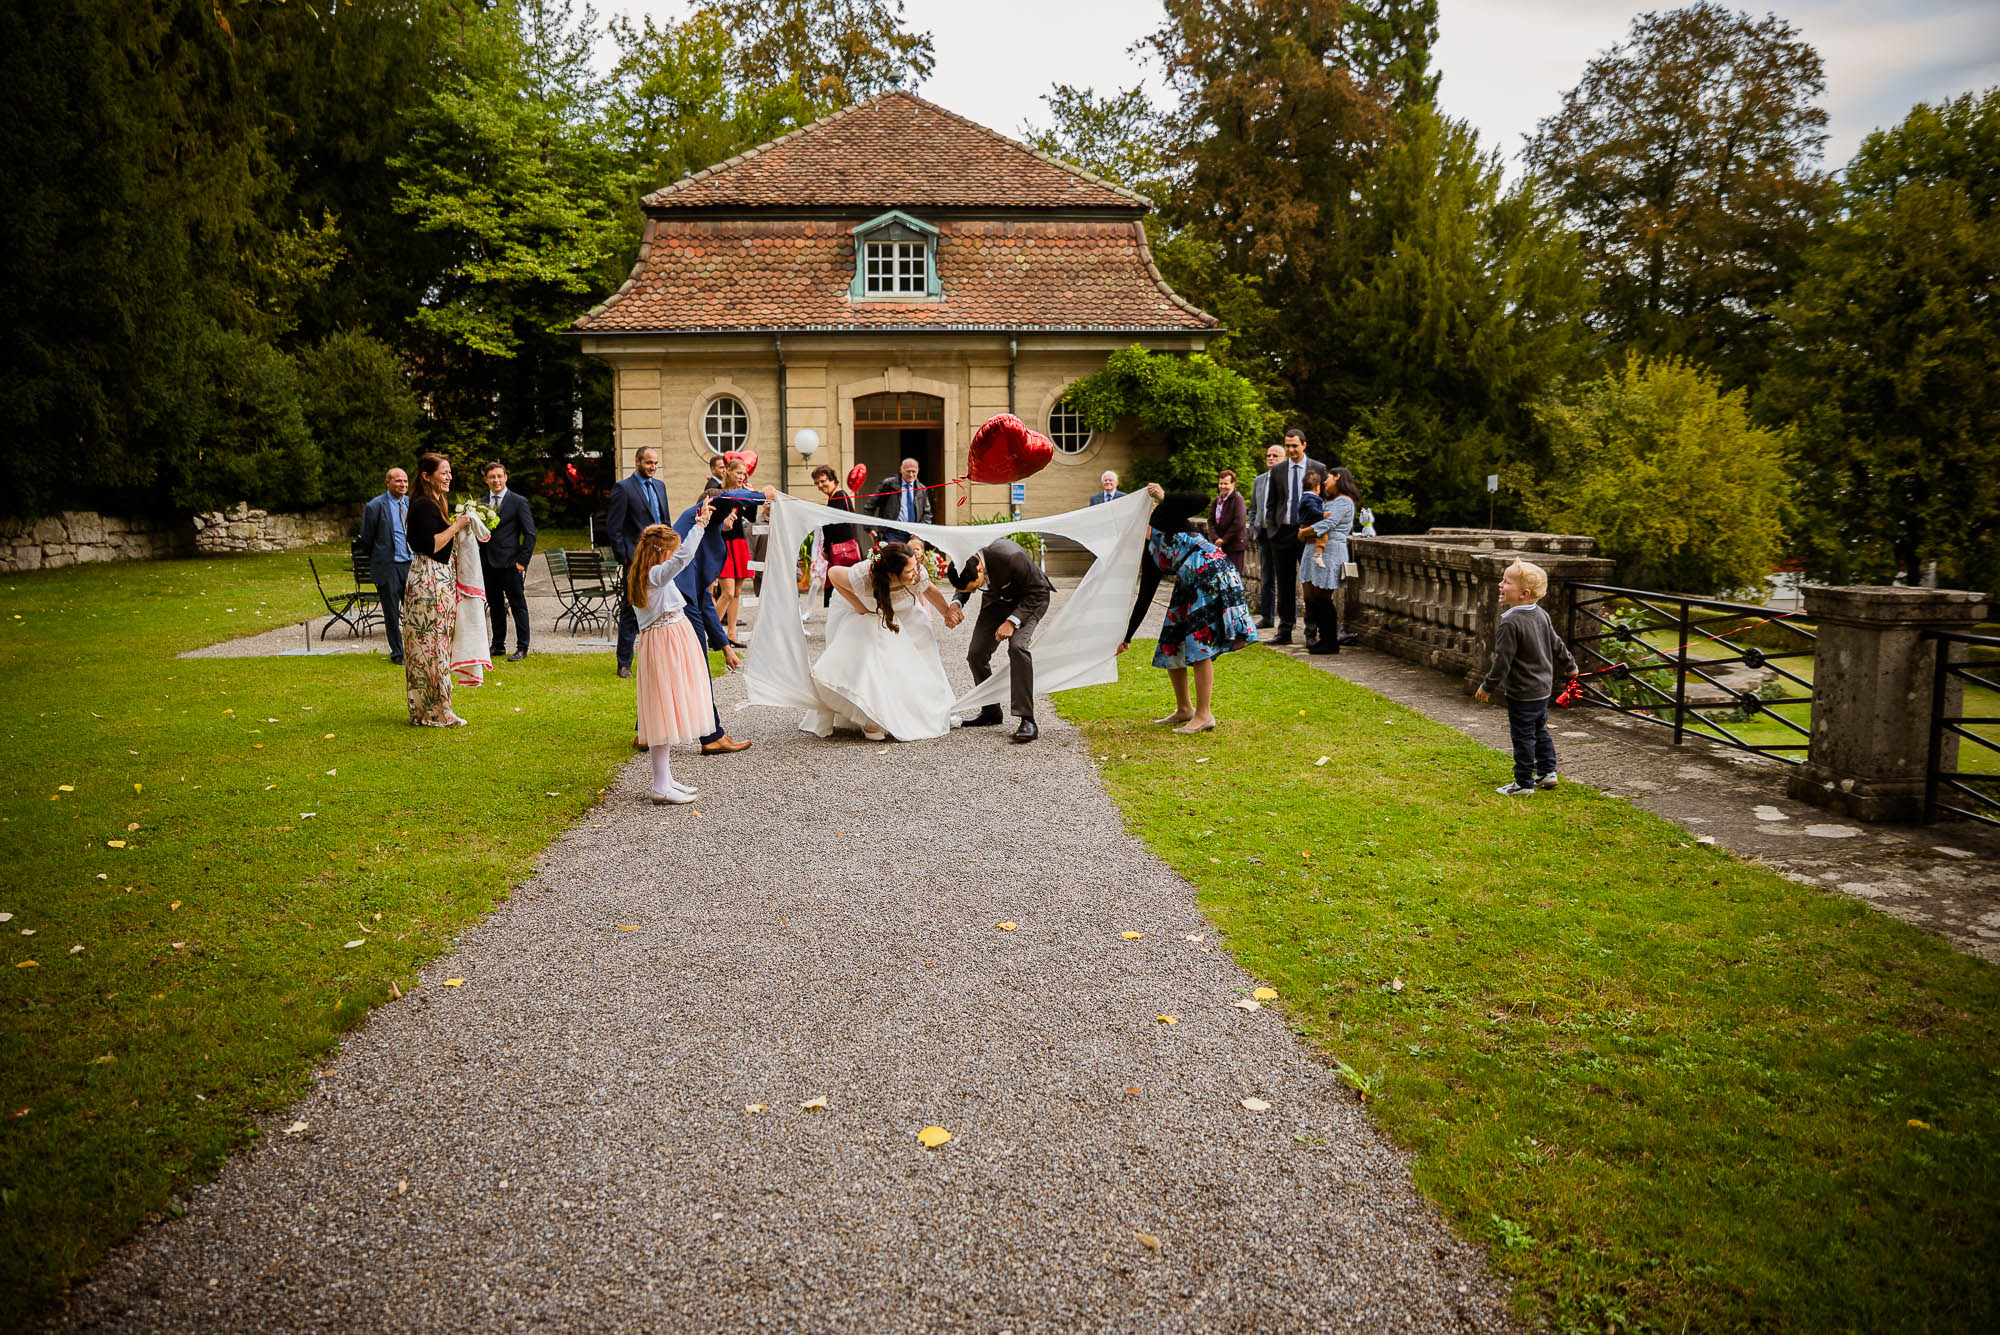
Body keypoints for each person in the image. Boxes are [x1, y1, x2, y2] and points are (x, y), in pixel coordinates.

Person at [1119, 485, 1258, 734]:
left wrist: (1165, 495)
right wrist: (1126, 637)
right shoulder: (1148, 552)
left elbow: (1201, 499)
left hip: (1211, 572)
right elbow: (1145, 596)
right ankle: (1185, 708)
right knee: (1171, 639)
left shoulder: (1164, 515)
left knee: (1199, 641)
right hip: (1190, 581)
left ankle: (1205, 715)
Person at [806, 542, 959, 741]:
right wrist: (860, 606)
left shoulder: (916, 575)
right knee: (870, 650)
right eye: (909, 570)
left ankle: (922, 709)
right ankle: (871, 716)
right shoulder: (863, 576)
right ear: (892, 574)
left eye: (915, 567)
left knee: (921, 651)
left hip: (904, 611)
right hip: (865, 609)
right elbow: (833, 574)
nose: (916, 572)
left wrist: (947, 612)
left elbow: (929, 590)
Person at [626, 507, 716, 804]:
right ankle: (660, 785)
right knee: (663, 710)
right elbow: (684, 557)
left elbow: (679, 558)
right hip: (666, 643)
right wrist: (700, 523)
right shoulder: (655, 575)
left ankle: (664, 779)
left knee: (664, 710)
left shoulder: (647, 574)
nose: (673, 555)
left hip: (667, 640)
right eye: (670, 550)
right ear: (661, 551)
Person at [1475, 560, 1580, 796]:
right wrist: (1571, 665)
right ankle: (1547, 772)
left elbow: (1503, 661)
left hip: (1522, 692)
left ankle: (1523, 782)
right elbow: (1557, 644)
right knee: (1539, 729)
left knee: (1523, 735)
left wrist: (1487, 686)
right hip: (1543, 688)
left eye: (1506, 581)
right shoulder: (1540, 614)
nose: (1500, 584)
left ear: (1523, 594)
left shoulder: (1510, 621)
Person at [947, 539, 1054, 743]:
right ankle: (991, 712)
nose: (971, 592)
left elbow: (1039, 590)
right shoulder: (967, 560)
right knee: (976, 654)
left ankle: (1028, 720)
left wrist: (1012, 622)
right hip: (995, 603)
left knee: (1018, 647)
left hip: (1029, 602)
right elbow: (964, 584)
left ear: (979, 567)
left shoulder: (1011, 556)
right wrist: (957, 602)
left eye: (973, 588)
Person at [402, 453, 476, 727]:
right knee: (430, 645)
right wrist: (457, 525)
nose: (448, 477)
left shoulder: (435, 503)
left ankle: (438, 708)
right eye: (443, 472)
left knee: (439, 644)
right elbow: (431, 544)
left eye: (449, 473)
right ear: (426, 476)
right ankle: (435, 711)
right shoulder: (422, 505)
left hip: (438, 578)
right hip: (428, 580)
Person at [607, 448, 669, 679]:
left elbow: (665, 521)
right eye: (649, 463)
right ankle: (624, 663)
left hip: (660, 559)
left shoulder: (660, 486)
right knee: (631, 610)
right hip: (635, 561)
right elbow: (614, 527)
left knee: (662, 609)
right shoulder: (624, 488)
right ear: (637, 462)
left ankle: (658, 660)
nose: (653, 467)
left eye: (655, 463)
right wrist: (625, 557)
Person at [1266, 428, 1328, 646]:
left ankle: (1311, 631)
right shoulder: (1279, 469)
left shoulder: (1318, 468)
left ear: (1304, 445)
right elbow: (1272, 503)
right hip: (1282, 533)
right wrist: (1272, 530)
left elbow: (1325, 502)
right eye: (1287, 445)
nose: (1290, 449)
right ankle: (1284, 630)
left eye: (1294, 445)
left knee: (1309, 583)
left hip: (1308, 533)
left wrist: (1318, 530)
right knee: (1284, 583)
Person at [479, 461, 537, 663]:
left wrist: (522, 561)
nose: (496, 480)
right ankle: (498, 645)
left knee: (517, 605)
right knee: (494, 605)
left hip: (511, 563)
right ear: (486, 479)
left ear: (505, 478)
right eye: (492, 477)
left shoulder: (518, 501)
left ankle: (522, 646)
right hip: (488, 563)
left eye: (499, 476)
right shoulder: (480, 503)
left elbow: (530, 534)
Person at [1297, 468, 1357, 655]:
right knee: (1311, 597)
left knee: (1323, 597)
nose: (1324, 483)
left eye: (1328, 479)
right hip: (1315, 549)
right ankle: (1323, 638)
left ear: (1338, 477)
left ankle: (1329, 641)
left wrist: (1303, 532)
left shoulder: (1344, 501)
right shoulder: (1327, 500)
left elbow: (1327, 524)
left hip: (1330, 551)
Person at [357, 468, 413, 665]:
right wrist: (381, 557)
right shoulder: (375, 506)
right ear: (388, 482)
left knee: (414, 611)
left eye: (405, 481)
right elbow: (366, 539)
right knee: (391, 612)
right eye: (399, 481)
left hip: (410, 564)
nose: (403, 485)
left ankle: (415, 650)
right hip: (388, 567)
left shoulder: (410, 503)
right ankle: (398, 652)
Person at [713, 454, 755, 646]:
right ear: (727, 471)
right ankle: (713, 633)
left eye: (744, 474)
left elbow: (751, 517)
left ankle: (731, 634)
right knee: (727, 592)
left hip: (738, 543)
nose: (741, 477)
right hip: (722, 545)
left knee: (737, 592)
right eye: (738, 473)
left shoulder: (741, 492)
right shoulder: (718, 492)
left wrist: (752, 497)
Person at [812, 464, 864, 610]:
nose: (820, 485)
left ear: (833, 479)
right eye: (817, 483)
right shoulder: (834, 498)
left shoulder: (840, 497)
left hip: (843, 552)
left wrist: (827, 547)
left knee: (844, 588)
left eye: (823, 481)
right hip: (841, 551)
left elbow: (839, 528)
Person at [1248, 443, 1285, 628]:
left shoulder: (1285, 479)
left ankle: (1287, 620)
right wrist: (1254, 528)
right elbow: (1253, 508)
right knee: (1267, 578)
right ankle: (1267, 618)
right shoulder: (1259, 480)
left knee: (1285, 579)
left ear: (1283, 459)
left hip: (1280, 535)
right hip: (1262, 534)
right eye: (1268, 455)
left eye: (1275, 455)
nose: (1271, 458)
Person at [871, 457, 930, 544]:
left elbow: (927, 514)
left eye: (913, 472)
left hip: (914, 535)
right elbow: (870, 505)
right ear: (901, 470)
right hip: (892, 533)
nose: (911, 475)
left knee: (912, 557)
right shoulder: (888, 485)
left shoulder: (922, 489)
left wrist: (919, 531)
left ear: (918, 471)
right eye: (908, 471)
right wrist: (870, 528)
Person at [1210, 468, 1249, 577]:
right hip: (1219, 546)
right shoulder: (1217, 501)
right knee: (1220, 577)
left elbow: (1239, 523)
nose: (1222, 486)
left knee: (1233, 578)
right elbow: (1211, 521)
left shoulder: (1238, 499)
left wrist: (1224, 539)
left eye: (1226, 484)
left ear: (1233, 484)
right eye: (1220, 483)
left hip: (1234, 546)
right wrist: (1215, 538)